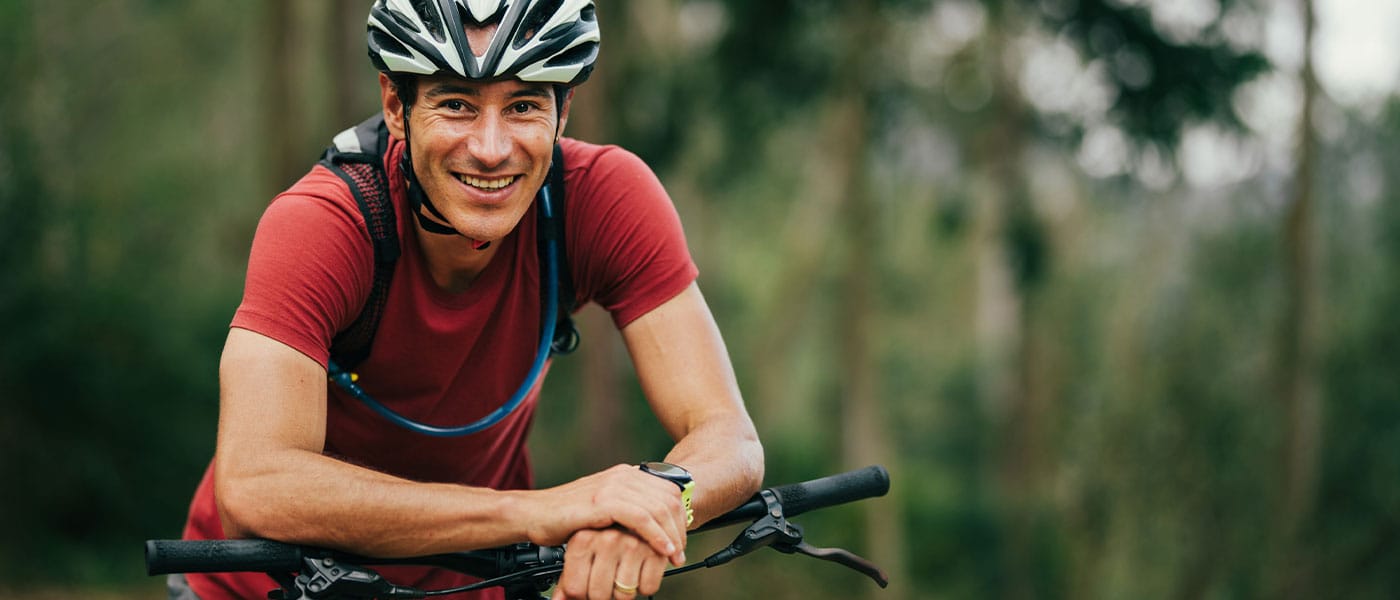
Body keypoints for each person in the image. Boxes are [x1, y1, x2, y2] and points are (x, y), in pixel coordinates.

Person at [172, 1, 764, 599]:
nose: (490, 148)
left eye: (524, 105)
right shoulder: (323, 225)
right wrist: (543, 511)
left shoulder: (603, 199)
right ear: (396, 105)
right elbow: (256, 485)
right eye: (456, 104)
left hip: (468, 587)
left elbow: (728, 438)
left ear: (563, 114)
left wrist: (654, 506)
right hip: (267, 589)